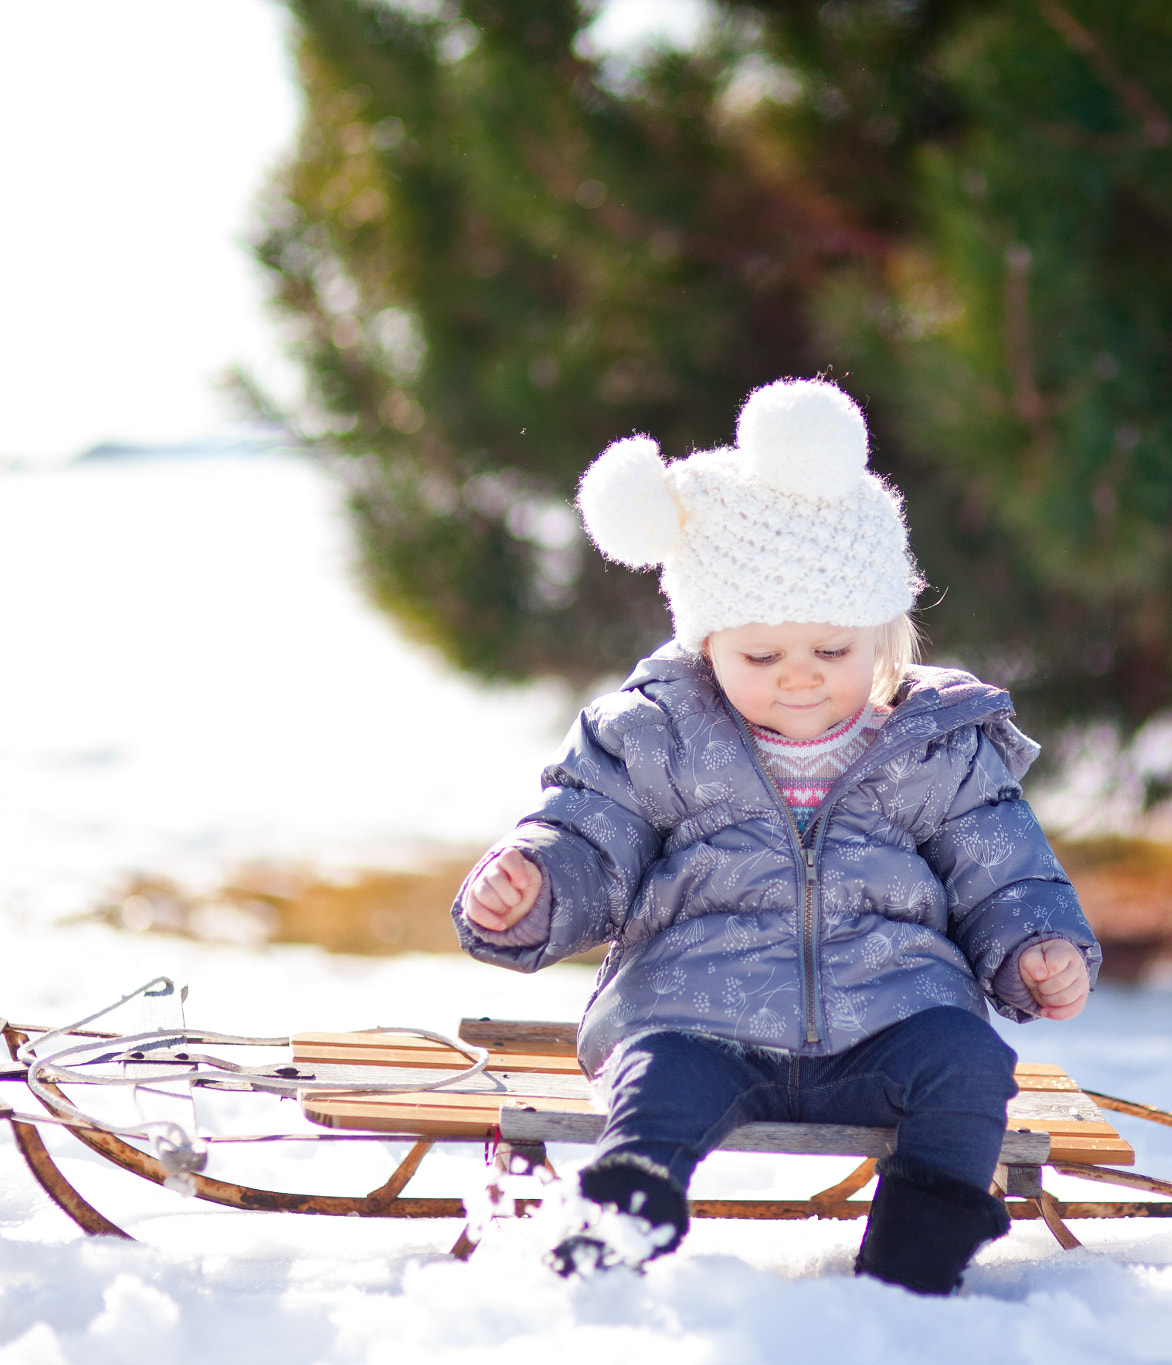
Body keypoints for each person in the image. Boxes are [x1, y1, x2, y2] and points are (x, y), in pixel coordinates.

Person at [451, 377, 1100, 1296]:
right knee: (656, 1076)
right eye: (760, 656)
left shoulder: (935, 746)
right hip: (697, 1009)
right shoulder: (657, 733)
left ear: (882, 637)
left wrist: (1036, 946)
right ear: (706, 643)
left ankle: (920, 1246)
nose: (799, 678)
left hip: (890, 1017)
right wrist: (536, 886)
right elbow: (588, 835)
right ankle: (624, 1202)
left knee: (968, 1062)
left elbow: (1003, 869)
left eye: (831, 652)